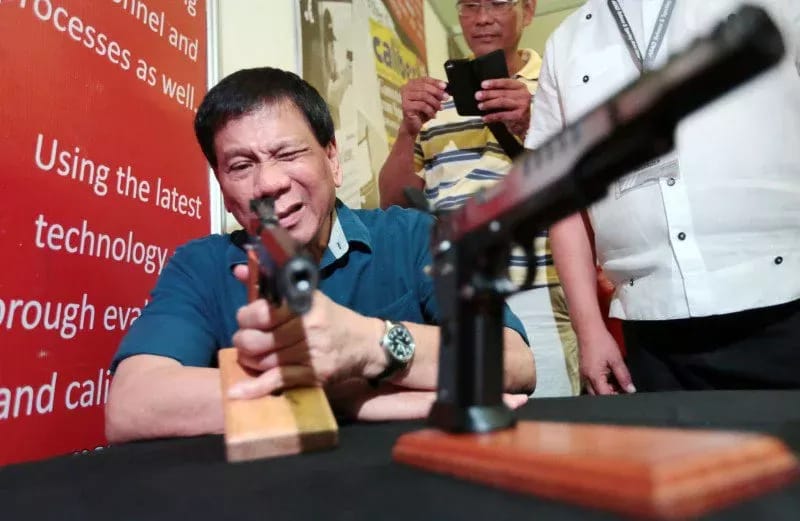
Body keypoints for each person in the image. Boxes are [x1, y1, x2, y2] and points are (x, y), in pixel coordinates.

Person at [105, 67, 534, 443]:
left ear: (332, 159)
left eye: (288, 154)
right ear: (223, 190)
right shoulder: (200, 266)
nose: (268, 183)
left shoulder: (413, 236)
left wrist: (367, 343)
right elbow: (132, 404)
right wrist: (343, 395)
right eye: (241, 166)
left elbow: (513, 360)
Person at [526, 0, 800, 394]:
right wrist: (589, 330)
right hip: (651, 327)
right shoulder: (566, 42)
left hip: (783, 296)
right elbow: (563, 201)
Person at [378, 0, 579, 396]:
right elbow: (394, 205)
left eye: (497, 4)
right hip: (452, 292)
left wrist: (532, 122)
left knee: (551, 421)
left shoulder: (557, 84)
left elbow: (585, 183)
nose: (483, 18)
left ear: (528, 10)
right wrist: (407, 130)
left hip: (537, 285)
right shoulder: (435, 100)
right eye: (470, 6)